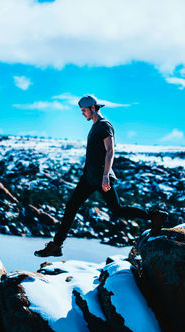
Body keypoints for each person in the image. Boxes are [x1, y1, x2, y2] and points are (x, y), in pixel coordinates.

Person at [34, 95, 168, 257]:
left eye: (84, 110)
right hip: (89, 177)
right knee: (71, 207)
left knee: (117, 210)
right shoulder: (95, 126)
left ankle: (154, 215)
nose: (82, 114)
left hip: (100, 176)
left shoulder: (104, 125)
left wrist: (105, 176)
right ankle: (56, 246)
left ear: (92, 108)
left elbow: (110, 150)